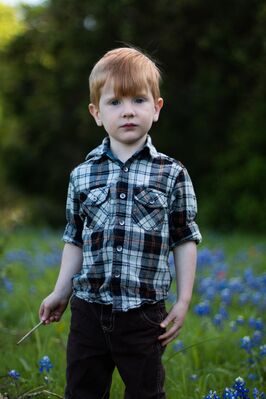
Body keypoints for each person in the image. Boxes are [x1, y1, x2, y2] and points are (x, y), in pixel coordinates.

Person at [39, 46, 202, 399]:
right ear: (96, 113)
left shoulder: (173, 174)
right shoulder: (81, 176)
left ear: (157, 108)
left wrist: (184, 299)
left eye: (139, 100)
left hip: (144, 314)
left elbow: (184, 237)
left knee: (146, 393)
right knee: (82, 391)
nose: (128, 111)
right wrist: (60, 291)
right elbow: (75, 239)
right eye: (115, 102)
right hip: (88, 311)